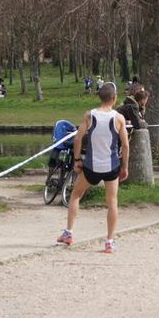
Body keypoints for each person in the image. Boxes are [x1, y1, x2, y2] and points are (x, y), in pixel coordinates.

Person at [56, 82, 130, 253]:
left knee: (75, 195)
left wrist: (76, 160)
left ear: (99, 97)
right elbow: (125, 145)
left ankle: (68, 232)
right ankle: (110, 241)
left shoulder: (89, 116)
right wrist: (125, 166)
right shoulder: (119, 118)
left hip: (91, 167)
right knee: (112, 202)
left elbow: (77, 139)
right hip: (111, 166)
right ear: (114, 98)